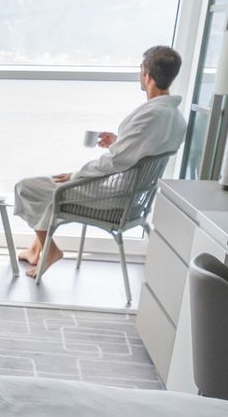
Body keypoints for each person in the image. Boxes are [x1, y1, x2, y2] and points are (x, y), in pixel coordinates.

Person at [13, 45, 187, 276]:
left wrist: (76, 176)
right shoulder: (175, 117)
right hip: (135, 196)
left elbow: (115, 161)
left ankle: (50, 250)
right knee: (49, 188)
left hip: (114, 197)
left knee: (27, 188)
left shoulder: (152, 114)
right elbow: (142, 150)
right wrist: (118, 140)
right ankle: (36, 250)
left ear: (146, 74)